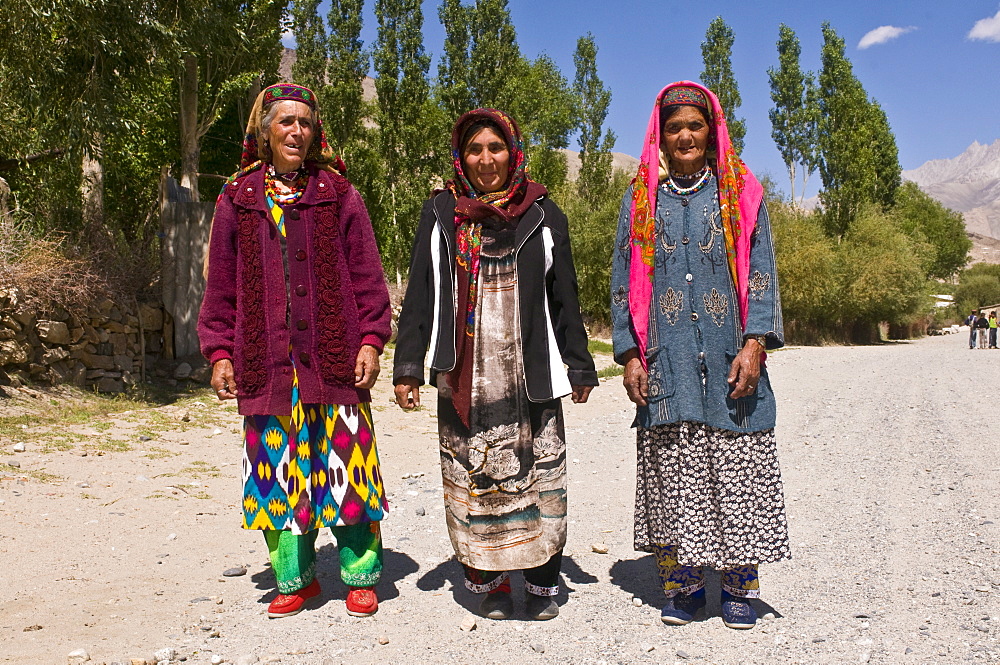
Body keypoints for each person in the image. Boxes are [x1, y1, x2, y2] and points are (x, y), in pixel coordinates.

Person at [393, 108, 598, 621]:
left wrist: (579, 365)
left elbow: (563, 296)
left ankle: (543, 583)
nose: (486, 160)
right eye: (475, 150)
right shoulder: (442, 212)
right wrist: (407, 366)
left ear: (513, 153)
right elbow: (419, 290)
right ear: (461, 158)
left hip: (529, 369)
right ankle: (493, 582)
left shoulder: (543, 213)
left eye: (496, 149)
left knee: (538, 473)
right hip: (465, 368)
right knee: (476, 476)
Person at [198, 83, 392, 619]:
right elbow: (221, 288)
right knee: (278, 473)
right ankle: (295, 578)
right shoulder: (237, 200)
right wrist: (219, 352)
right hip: (266, 364)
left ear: (315, 132)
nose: (296, 132)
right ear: (264, 131)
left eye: (304, 123)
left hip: (333, 361)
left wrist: (372, 341)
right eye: (285, 122)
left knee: (347, 468)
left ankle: (359, 574)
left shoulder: (338, 193)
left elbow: (368, 278)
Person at [610, 82, 790, 630]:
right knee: (677, 468)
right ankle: (685, 586)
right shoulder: (640, 200)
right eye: (674, 127)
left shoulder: (741, 193)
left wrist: (755, 343)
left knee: (737, 465)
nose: (684, 135)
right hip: (668, 359)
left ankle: (738, 585)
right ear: (659, 136)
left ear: (711, 131)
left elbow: (761, 273)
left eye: (694, 124)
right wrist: (630, 354)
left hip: (731, 354)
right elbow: (622, 283)